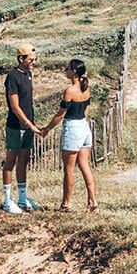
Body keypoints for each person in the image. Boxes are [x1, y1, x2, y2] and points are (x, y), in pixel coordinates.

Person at [40, 58, 97, 212]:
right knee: (85, 165)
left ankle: (66, 203)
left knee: (69, 169)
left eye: (68, 68)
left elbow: (60, 114)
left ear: (74, 72)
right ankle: (92, 200)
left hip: (72, 128)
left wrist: (47, 129)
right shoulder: (86, 89)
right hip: (84, 127)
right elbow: (86, 111)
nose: (65, 70)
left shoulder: (70, 91)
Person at [1, 42, 44, 214]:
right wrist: (29, 124)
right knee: (11, 161)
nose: (34, 62)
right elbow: (15, 107)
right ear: (21, 59)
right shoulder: (13, 77)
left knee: (24, 161)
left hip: (27, 126)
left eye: (35, 59)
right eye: (31, 59)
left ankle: (23, 198)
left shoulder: (29, 74)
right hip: (16, 126)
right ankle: (7, 200)